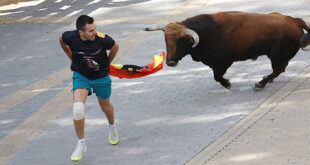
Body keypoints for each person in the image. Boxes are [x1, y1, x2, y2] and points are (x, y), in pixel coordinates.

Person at [59, 15, 120, 162]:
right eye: (91, 30)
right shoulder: (70, 37)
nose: (94, 32)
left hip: (101, 77)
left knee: (106, 107)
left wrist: (107, 63)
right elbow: (61, 40)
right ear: (81, 32)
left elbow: (115, 46)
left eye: (95, 29)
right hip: (81, 76)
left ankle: (112, 127)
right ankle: (81, 143)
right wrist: (71, 57)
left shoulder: (102, 39)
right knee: (78, 109)